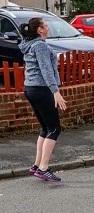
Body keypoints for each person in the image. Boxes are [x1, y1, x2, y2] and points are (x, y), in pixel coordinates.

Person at [19, 17, 67, 182]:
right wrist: (55, 91)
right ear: (39, 30)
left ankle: (36, 166)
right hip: (42, 89)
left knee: (46, 128)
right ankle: (44, 168)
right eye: (45, 25)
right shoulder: (39, 45)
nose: (47, 27)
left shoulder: (31, 44)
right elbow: (46, 70)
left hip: (31, 88)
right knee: (54, 129)